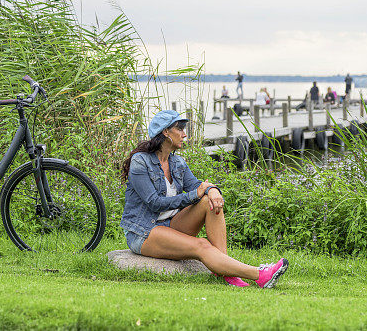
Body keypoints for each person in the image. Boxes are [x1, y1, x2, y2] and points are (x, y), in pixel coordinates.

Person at [120, 110, 289, 288]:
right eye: (180, 129)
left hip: (171, 225)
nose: (185, 134)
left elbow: (197, 185)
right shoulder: (140, 161)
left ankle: (225, 272)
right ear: (165, 132)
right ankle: (260, 275)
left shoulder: (177, 163)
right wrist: (196, 194)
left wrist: (213, 190)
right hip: (144, 231)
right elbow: (154, 203)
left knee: (210, 202)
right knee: (201, 245)